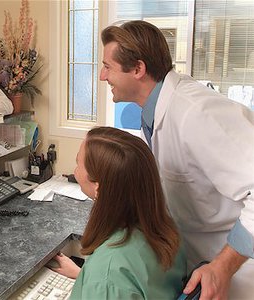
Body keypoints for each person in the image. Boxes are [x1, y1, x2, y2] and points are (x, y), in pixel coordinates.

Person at [100, 20, 254, 299]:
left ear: (137, 69)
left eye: (107, 66)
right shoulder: (155, 111)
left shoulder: (198, 112)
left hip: (237, 274)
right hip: (197, 263)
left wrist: (222, 267)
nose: (102, 76)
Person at [52, 126, 186, 299]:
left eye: (78, 163)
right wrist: (86, 277)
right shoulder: (167, 232)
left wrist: (101, 282)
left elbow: (115, 280)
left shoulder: (109, 272)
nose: (75, 170)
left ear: (98, 187)